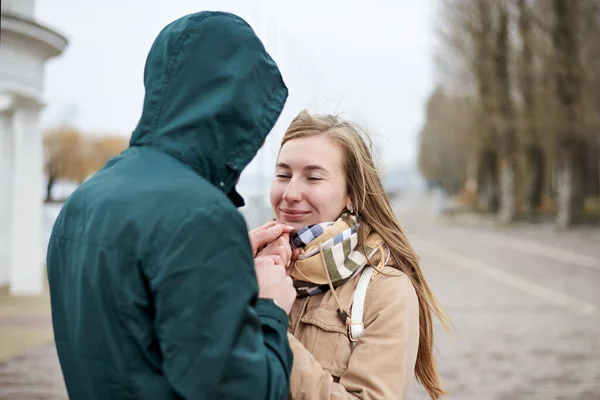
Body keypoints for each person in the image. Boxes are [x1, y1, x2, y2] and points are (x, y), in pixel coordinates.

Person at [46, 11, 297, 400]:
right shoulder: (201, 215)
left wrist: (228, 266)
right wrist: (269, 306)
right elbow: (244, 392)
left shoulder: (84, 201)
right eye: (257, 119)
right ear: (234, 110)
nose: (260, 141)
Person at [258, 110, 451, 399]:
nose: (290, 193)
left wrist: (268, 322)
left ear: (352, 194)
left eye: (313, 177)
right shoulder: (245, 270)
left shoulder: (385, 292)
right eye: (283, 175)